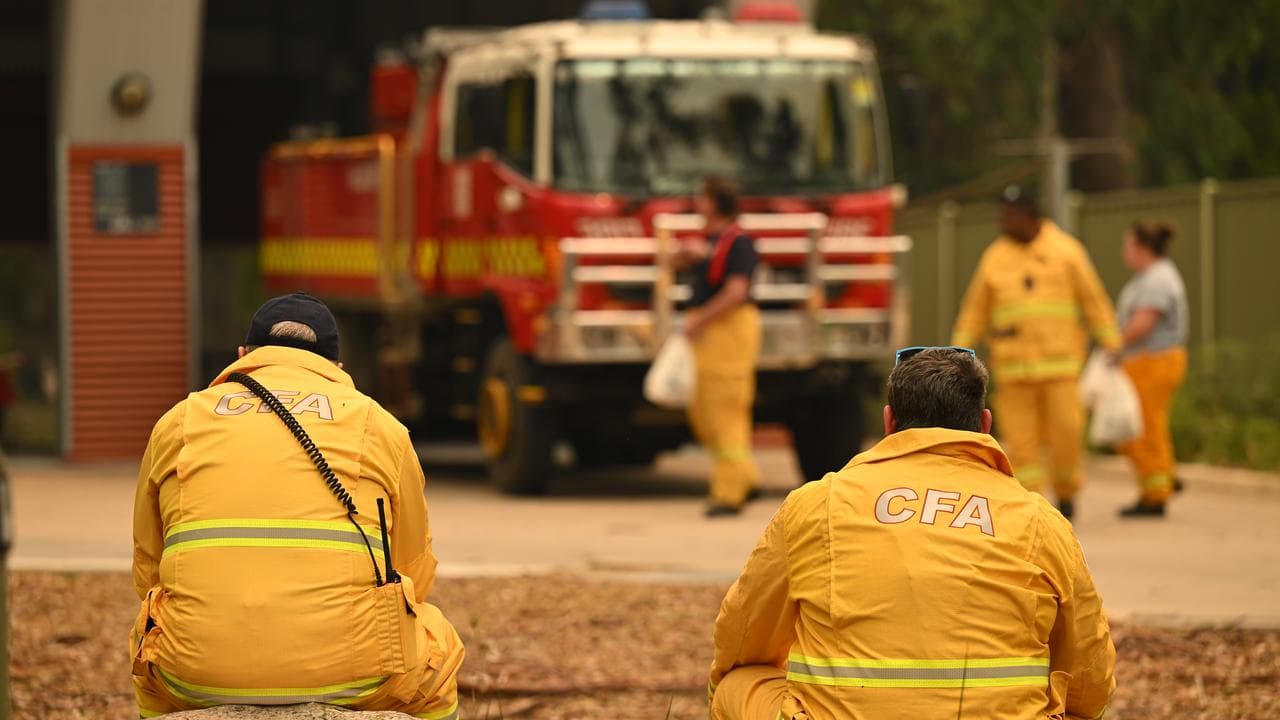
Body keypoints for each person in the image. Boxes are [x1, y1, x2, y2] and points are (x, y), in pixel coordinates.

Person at [708, 347, 1115, 720]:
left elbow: (743, 636)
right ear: (984, 424)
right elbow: (1091, 678)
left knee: (735, 682)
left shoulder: (818, 504)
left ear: (889, 423)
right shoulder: (1040, 521)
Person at [130, 292, 464, 719]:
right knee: (440, 648)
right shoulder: (379, 426)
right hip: (353, 673)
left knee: (151, 672)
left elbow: (148, 566)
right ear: (336, 368)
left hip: (194, 674)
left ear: (242, 356)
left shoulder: (178, 421)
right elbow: (413, 569)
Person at [952, 186, 1121, 520]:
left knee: (1067, 434)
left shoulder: (1067, 252)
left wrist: (1111, 340)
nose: (1001, 221)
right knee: (1022, 443)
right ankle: (1035, 506)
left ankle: (1068, 491)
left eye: (1008, 214)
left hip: (1061, 369)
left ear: (1029, 214)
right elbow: (975, 310)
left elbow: (1093, 299)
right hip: (1013, 370)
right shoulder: (994, 258)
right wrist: (960, 352)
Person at [676, 176, 762, 517]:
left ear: (714, 202)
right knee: (705, 410)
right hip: (712, 334)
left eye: (702, 197)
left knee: (725, 409)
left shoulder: (738, 242)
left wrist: (700, 320)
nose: (697, 203)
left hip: (727, 332)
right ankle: (747, 478)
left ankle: (729, 493)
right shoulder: (713, 242)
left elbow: (736, 291)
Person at [1115, 222, 1189, 518]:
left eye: (1128, 246)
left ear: (1141, 248)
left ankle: (1156, 493)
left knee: (1147, 427)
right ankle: (1162, 477)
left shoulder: (1158, 278)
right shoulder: (1150, 277)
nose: (1124, 253)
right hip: (1147, 361)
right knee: (1146, 425)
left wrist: (1114, 345)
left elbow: (1144, 322)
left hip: (1153, 360)